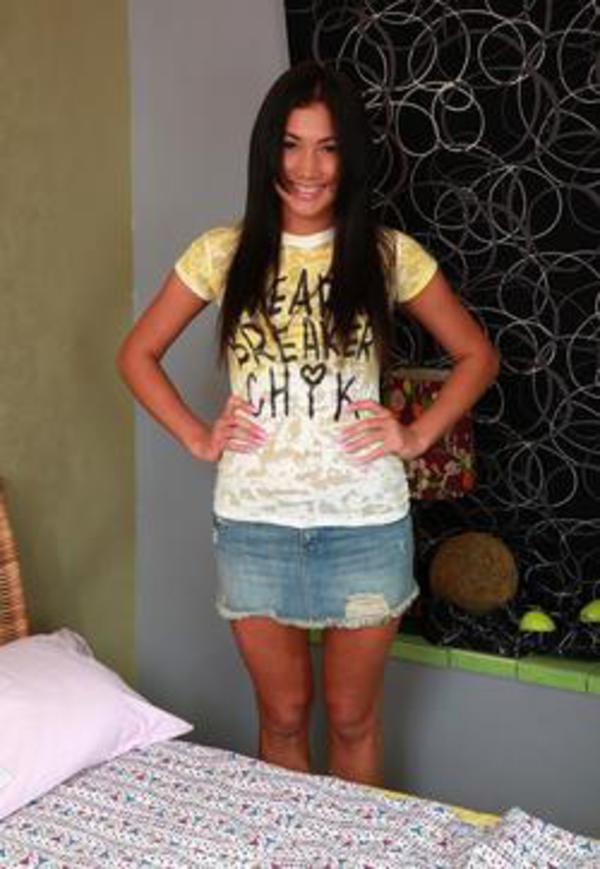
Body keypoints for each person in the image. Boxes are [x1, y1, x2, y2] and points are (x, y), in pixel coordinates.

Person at [118, 61, 499, 787]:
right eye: (291, 145)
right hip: (255, 524)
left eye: (328, 148)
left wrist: (416, 436)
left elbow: (477, 356)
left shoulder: (387, 254)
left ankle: (346, 845)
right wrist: (199, 436)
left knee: (353, 720)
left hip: (365, 524)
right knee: (284, 718)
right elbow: (137, 354)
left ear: (349, 157)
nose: (308, 168)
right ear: (269, 151)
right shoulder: (222, 252)